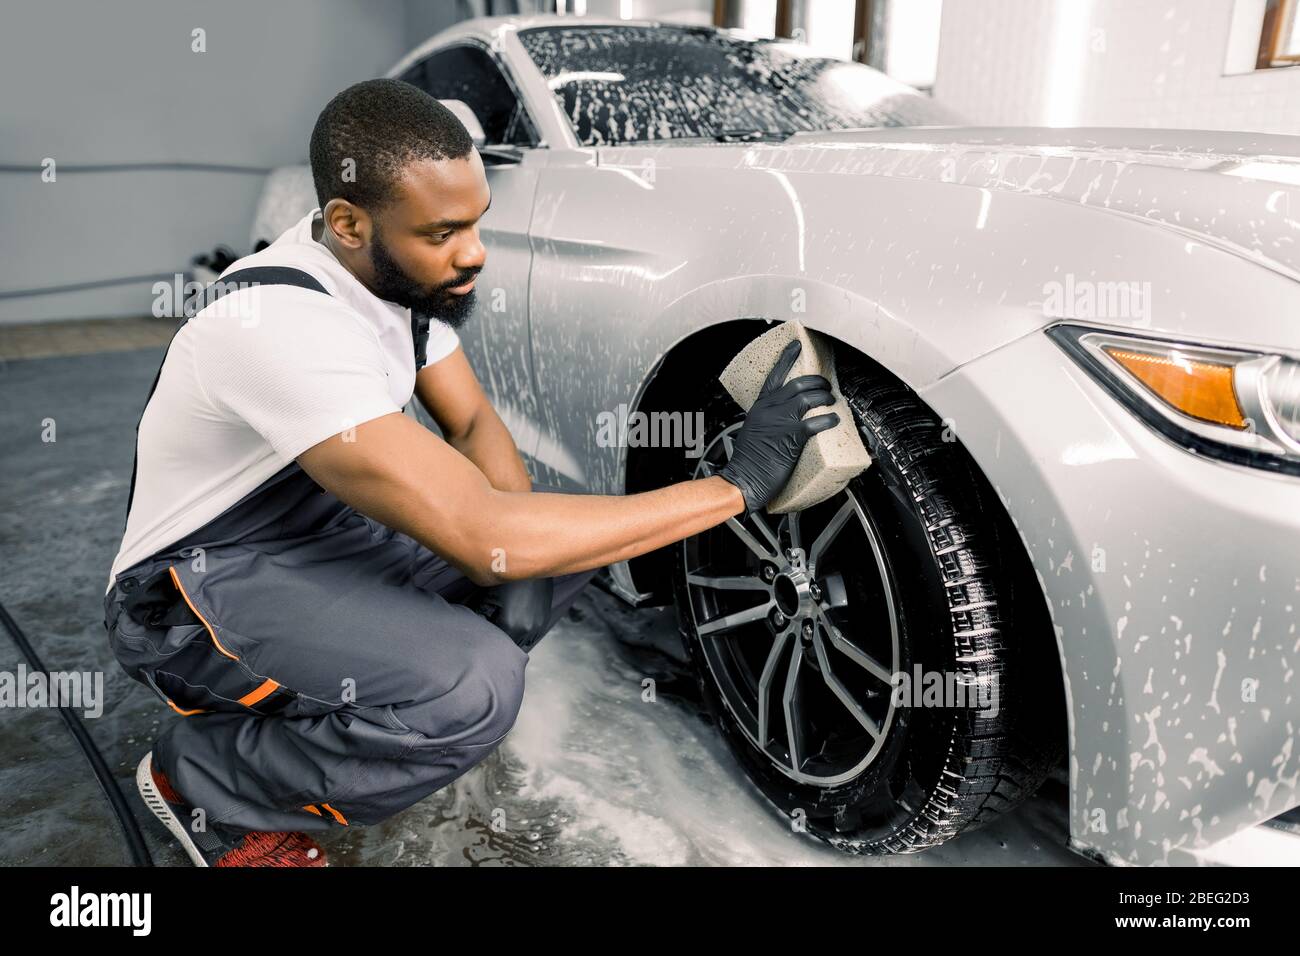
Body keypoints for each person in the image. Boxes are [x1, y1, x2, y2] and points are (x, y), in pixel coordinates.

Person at [102, 79, 838, 867]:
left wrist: (513, 574)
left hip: (315, 540)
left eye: (478, 221)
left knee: (559, 554)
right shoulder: (281, 327)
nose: (475, 252)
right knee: (471, 685)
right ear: (348, 223)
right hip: (190, 595)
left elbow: (471, 422)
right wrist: (736, 486)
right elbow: (488, 533)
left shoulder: (386, 273)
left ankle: (380, 710)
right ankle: (206, 779)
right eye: (445, 232)